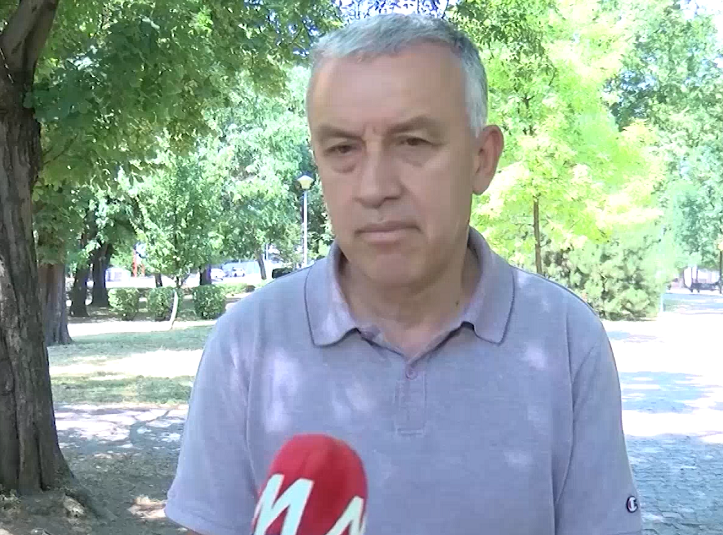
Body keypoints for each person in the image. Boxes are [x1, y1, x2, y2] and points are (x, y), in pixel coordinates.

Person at [165, 13, 642, 535]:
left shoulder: (567, 341)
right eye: (342, 149)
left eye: (412, 142)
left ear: (481, 159)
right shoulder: (248, 344)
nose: (375, 188)